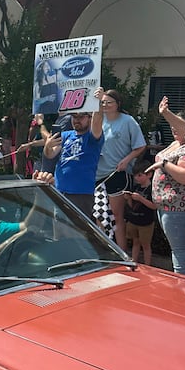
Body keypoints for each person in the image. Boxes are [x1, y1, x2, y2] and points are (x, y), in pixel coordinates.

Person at [146, 99, 185, 275]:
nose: (172, 127)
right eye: (170, 123)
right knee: (177, 249)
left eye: (175, 123)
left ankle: (183, 285)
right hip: (166, 206)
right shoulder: (176, 143)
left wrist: (163, 164)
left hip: (179, 208)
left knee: (180, 250)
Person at [95, 89, 146, 251]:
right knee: (99, 215)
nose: (106, 105)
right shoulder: (98, 119)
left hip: (117, 173)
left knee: (117, 216)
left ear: (118, 104)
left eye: (109, 102)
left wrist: (127, 160)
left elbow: (140, 146)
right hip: (97, 174)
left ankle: (122, 253)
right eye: (103, 102)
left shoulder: (128, 121)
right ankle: (103, 252)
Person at [43, 88, 104, 217]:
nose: (77, 119)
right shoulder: (65, 135)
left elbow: (97, 123)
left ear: (89, 118)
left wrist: (98, 104)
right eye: (74, 116)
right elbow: (51, 154)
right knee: (59, 231)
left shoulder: (92, 137)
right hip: (60, 191)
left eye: (81, 116)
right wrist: (47, 146)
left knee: (79, 234)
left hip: (81, 194)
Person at [123, 158, 156, 265]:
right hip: (134, 220)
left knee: (146, 245)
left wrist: (141, 199)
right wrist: (128, 199)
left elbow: (154, 206)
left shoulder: (152, 189)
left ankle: (148, 266)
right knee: (135, 243)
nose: (136, 178)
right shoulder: (136, 187)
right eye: (135, 175)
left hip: (145, 222)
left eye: (140, 175)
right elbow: (132, 206)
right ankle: (134, 262)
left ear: (149, 174)